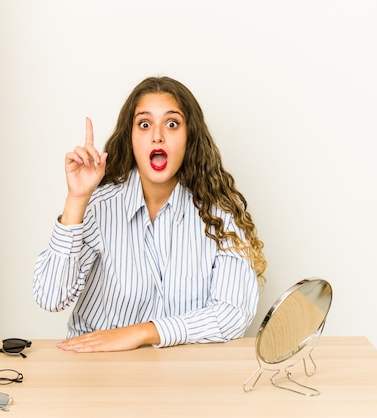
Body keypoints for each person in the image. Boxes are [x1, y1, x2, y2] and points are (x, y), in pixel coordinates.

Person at [33, 76, 266, 353]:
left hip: (187, 377)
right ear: (130, 138)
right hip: (100, 373)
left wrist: (144, 332)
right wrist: (77, 199)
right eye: (144, 124)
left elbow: (233, 314)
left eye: (172, 124)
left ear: (190, 136)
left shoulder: (220, 215)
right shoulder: (98, 207)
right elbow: (50, 298)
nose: (157, 135)